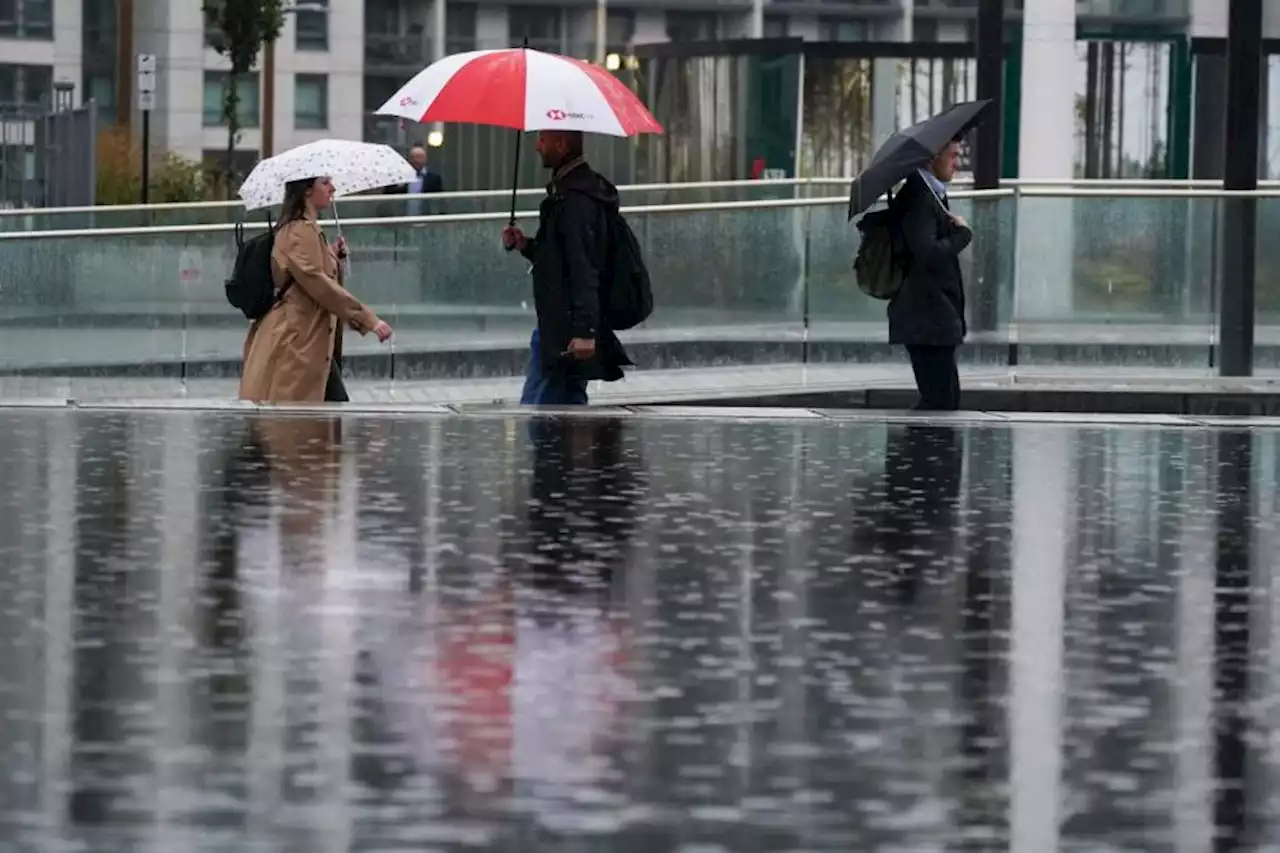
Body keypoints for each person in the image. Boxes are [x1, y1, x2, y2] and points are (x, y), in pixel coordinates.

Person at [500, 130, 632, 406]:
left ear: (561, 145)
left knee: (542, 413)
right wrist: (526, 245)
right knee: (565, 413)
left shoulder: (575, 201)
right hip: (561, 325)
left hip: (565, 329)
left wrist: (585, 332)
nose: (537, 146)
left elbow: (584, 266)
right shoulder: (571, 192)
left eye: (543, 140)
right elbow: (560, 258)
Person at [239, 176, 393, 404]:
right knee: (299, 424)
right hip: (297, 342)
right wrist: (369, 320)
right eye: (325, 183)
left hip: (310, 341)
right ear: (306, 190)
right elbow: (318, 284)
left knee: (325, 415)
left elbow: (312, 273)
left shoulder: (307, 228)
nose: (333, 187)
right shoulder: (299, 230)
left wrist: (332, 255)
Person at [889, 136, 972, 411]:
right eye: (953, 156)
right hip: (928, 319)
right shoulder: (920, 197)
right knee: (940, 404)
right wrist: (962, 235)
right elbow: (929, 254)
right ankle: (919, 453)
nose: (956, 163)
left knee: (943, 403)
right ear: (933, 157)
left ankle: (925, 453)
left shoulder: (930, 193)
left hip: (933, 318)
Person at [387, 143, 444, 215]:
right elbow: (387, 198)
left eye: (419, 157)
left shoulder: (434, 179)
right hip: (403, 219)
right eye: (412, 157)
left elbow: (440, 202)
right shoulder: (401, 177)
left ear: (425, 159)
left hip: (426, 219)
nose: (415, 160)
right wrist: (398, 187)